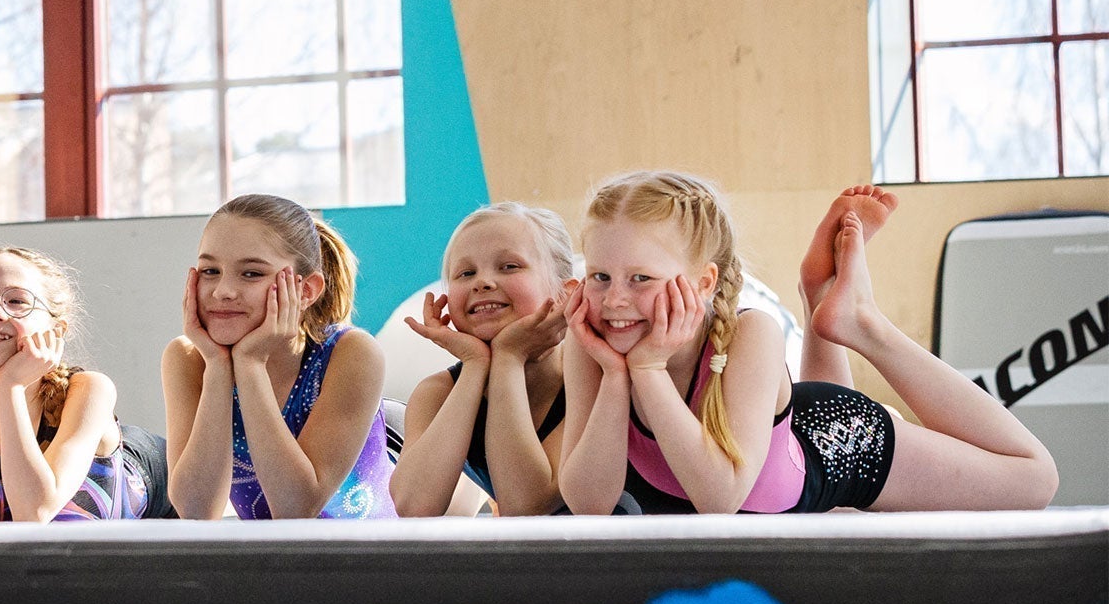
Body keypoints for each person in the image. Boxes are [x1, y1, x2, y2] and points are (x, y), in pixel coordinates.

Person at [558, 171, 1058, 515]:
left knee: (1034, 480)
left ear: (704, 284)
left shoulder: (751, 333)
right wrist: (618, 376)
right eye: (599, 275)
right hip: (787, 443)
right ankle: (821, 296)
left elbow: (721, 496)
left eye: (640, 278)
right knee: (816, 484)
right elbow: (589, 501)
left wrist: (647, 371)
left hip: (838, 442)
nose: (613, 299)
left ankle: (864, 324)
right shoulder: (594, 346)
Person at [162, 193, 395, 520]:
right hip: (269, 567)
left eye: (251, 274)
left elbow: (297, 508)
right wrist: (218, 367)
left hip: (368, 564)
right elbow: (197, 511)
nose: (223, 291)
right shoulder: (189, 358)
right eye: (210, 270)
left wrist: (251, 364)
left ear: (306, 290)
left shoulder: (352, 353)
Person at [0, 245, 170, 522]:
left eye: (17, 301)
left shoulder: (88, 390)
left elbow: (34, 513)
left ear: (56, 330)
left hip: (169, 508)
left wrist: (10, 386)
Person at [391, 203, 579, 517]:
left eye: (509, 266)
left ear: (564, 294)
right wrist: (476, 363)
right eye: (466, 273)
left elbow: (526, 505)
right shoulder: (439, 392)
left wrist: (509, 355)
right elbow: (413, 506)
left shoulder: (593, 376)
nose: (483, 282)